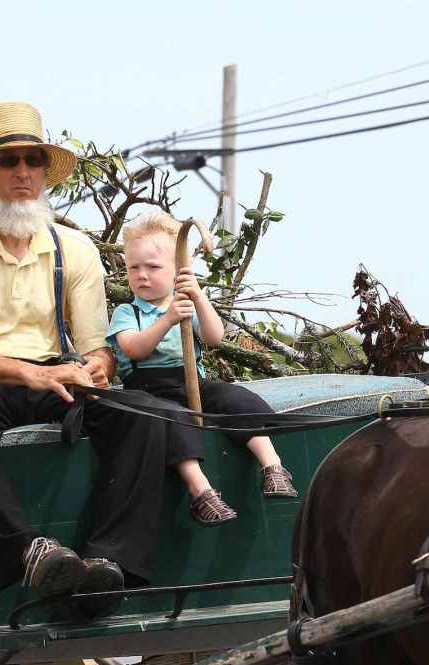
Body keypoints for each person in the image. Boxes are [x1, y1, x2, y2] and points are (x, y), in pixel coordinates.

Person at [0, 101, 170, 619]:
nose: (22, 173)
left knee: (145, 414)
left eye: (32, 161)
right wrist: (38, 373)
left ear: (45, 172)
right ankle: (28, 554)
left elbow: (97, 344)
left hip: (52, 378)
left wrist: (97, 367)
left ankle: (108, 564)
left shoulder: (73, 248)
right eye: (9, 162)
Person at [106, 211, 298, 527]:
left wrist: (197, 296)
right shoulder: (127, 312)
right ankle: (202, 492)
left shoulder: (188, 302)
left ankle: (273, 466)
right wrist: (166, 320)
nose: (142, 275)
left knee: (235, 399)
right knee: (173, 420)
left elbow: (214, 336)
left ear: (177, 271)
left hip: (191, 380)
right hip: (149, 390)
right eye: (133, 268)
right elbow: (132, 348)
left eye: (153, 267)